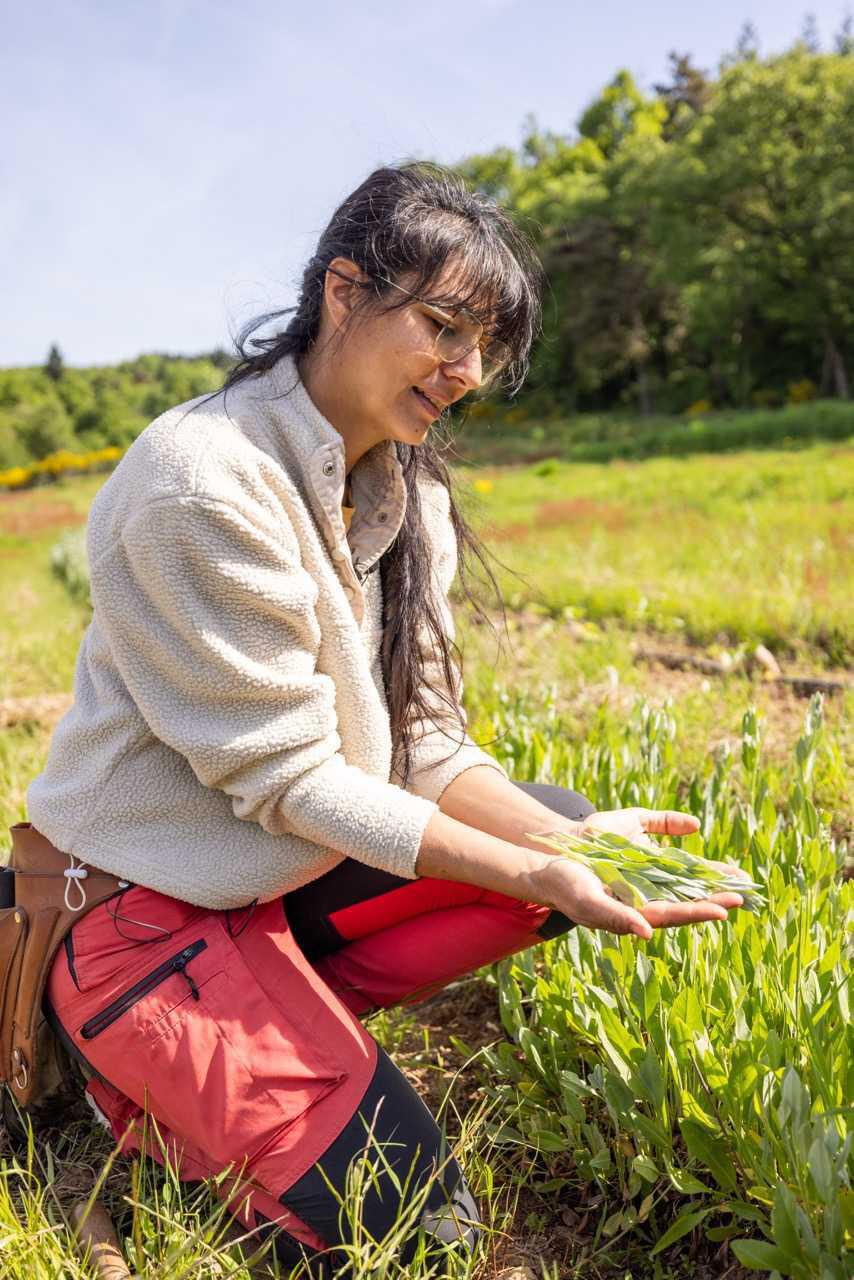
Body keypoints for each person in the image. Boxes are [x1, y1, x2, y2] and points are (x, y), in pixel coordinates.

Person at [27, 162, 745, 1275]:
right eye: (443, 327)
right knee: (417, 1231)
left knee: (555, 818)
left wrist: (568, 850)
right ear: (344, 293)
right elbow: (291, 779)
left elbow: (424, 742)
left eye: (486, 346)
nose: (465, 372)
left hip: (268, 882)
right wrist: (535, 870)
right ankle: (145, 1079)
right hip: (143, 917)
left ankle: (266, 1040)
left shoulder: (406, 492)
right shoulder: (202, 482)